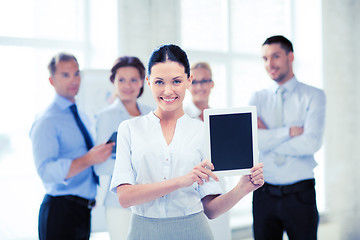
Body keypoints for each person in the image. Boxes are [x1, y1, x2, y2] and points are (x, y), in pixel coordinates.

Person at [109, 44, 264, 240]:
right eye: (159, 82)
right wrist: (181, 181)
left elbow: (211, 210)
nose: (168, 90)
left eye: (176, 81)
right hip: (142, 231)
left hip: (193, 231)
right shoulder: (129, 129)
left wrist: (242, 189)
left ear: (188, 81)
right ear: (148, 82)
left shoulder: (203, 132)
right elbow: (124, 198)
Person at [30, 53, 114, 240]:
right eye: (65, 75)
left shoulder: (82, 116)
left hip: (83, 210)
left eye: (76, 74)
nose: (74, 80)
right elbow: (46, 171)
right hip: (60, 211)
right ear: (52, 80)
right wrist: (88, 159)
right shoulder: (47, 120)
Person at [249, 35, 326, 240]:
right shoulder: (257, 98)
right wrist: (287, 133)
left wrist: (268, 139)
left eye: (276, 56)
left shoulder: (314, 96)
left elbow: (311, 143)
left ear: (290, 57)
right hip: (264, 195)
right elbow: (252, 141)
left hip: (300, 195)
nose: (270, 64)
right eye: (265, 58)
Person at [94, 56, 153, 239]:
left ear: (142, 82)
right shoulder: (106, 117)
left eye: (133, 79)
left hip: (151, 201)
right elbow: (100, 166)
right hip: (120, 205)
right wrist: (139, 166)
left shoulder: (151, 114)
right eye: (121, 80)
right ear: (114, 81)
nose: (128, 85)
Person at [184, 62, 231, 240]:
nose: (200, 86)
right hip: (192, 186)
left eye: (205, 81)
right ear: (188, 84)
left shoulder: (221, 118)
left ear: (212, 84)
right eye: (195, 82)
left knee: (219, 232)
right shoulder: (182, 116)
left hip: (218, 182)